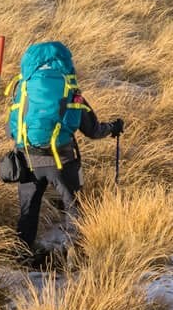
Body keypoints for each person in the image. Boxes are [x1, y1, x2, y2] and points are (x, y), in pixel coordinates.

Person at [7, 40, 122, 260]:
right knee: (73, 206)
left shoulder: (22, 90)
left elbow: (11, 131)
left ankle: (21, 256)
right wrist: (113, 128)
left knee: (28, 210)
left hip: (28, 160)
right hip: (63, 159)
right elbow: (93, 130)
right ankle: (73, 254)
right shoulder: (70, 89)